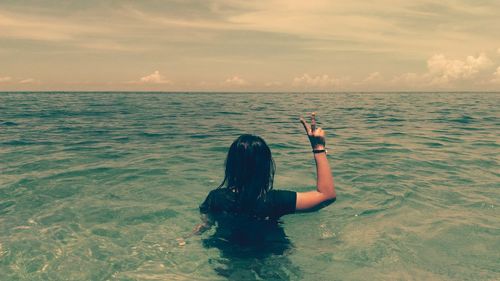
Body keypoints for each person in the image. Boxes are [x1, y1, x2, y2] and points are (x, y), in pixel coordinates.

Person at [194, 113, 336, 239]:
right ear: (266, 167)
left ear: (230, 165)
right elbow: (326, 196)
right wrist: (318, 148)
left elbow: (206, 224)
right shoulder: (276, 201)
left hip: (230, 258)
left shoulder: (216, 198)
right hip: (272, 257)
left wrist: (186, 238)